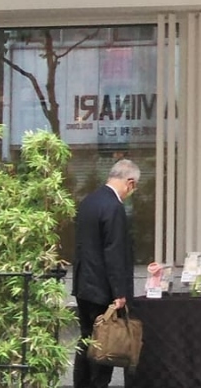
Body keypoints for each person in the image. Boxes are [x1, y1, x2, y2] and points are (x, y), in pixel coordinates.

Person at [71, 159, 139, 388]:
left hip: (83, 285)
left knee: (86, 339)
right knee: (104, 346)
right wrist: (119, 293)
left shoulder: (88, 201)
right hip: (103, 290)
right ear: (130, 183)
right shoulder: (114, 207)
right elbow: (114, 252)